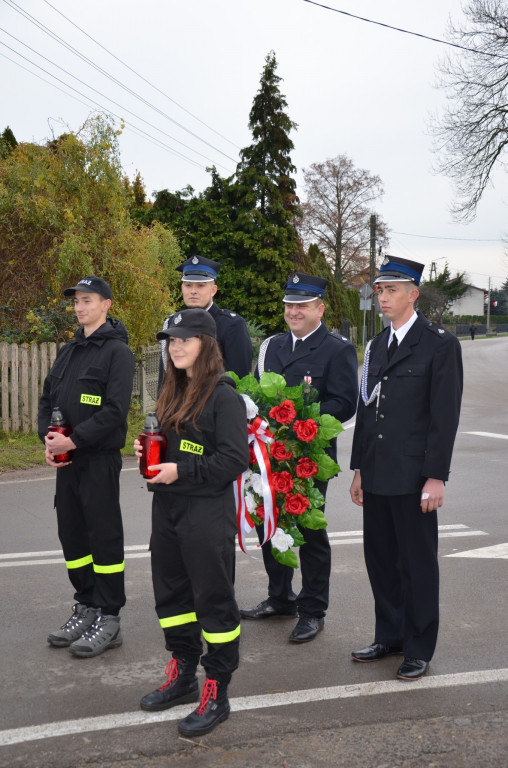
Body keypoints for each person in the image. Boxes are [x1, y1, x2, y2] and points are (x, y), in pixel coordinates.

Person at [137, 308, 249, 737]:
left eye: (186, 339)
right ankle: (183, 675)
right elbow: (175, 446)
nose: (177, 346)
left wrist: (180, 471)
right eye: (172, 340)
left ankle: (216, 691)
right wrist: (149, 449)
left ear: (207, 344)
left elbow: (233, 459)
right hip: (167, 509)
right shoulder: (171, 390)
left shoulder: (223, 396)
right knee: (171, 597)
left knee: (214, 602)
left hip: (205, 514)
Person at [349, 255, 463, 681]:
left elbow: (443, 416)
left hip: (415, 476)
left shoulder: (439, 344)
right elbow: (366, 411)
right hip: (377, 473)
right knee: (380, 559)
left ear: (413, 294)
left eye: (391, 289)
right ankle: (390, 635)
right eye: (379, 289)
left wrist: (436, 476)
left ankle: (418, 646)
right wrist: (359, 468)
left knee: (416, 564)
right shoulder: (377, 346)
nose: (383, 296)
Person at [240, 272, 359, 643]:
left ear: (319, 308)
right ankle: (281, 598)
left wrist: (297, 419)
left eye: (302, 305)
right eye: (289, 305)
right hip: (267, 453)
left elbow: (344, 403)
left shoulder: (337, 349)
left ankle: (312, 610)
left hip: (308, 454)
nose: (294, 311)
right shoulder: (272, 345)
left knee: (308, 530)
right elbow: (257, 393)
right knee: (268, 522)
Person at [38, 276, 135, 657]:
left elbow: (115, 412)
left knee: (103, 536)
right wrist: (48, 440)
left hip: (98, 459)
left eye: (88, 300)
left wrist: (74, 440)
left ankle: (109, 617)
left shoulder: (118, 353)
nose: (80, 307)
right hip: (67, 462)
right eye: (77, 301)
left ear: (106, 304)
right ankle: (87, 605)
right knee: (73, 536)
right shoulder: (69, 350)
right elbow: (48, 398)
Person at [158, 255, 253, 388]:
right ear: (182, 288)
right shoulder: (172, 323)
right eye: (188, 285)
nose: (193, 291)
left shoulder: (232, 325)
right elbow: (165, 378)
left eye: (200, 286)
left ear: (213, 290)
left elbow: (239, 380)